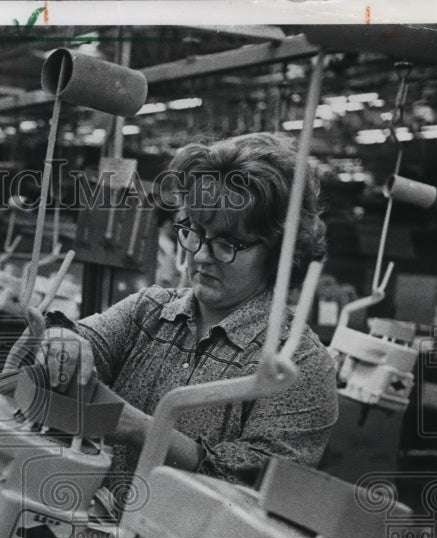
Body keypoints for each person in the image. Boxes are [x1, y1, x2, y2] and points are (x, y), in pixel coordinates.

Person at [28, 132, 338, 503]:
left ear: (278, 253)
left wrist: (139, 428)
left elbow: (254, 490)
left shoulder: (299, 365)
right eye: (193, 231)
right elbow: (84, 339)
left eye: (227, 244)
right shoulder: (151, 310)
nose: (202, 255)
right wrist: (63, 341)